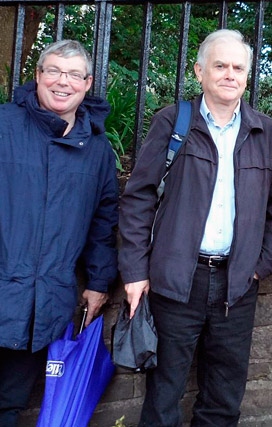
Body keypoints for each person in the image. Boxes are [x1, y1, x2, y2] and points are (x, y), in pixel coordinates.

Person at [118, 29, 272, 426]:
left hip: (237, 283)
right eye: (220, 65)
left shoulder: (266, 132)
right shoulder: (173, 122)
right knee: (164, 393)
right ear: (199, 71)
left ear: (248, 76)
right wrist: (134, 271)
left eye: (238, 67)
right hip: (177, 279)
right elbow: (138, 198)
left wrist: (259, 265)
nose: (230, 74)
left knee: (224, 396)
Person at [0, 40, 118, 425]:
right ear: (37, 77)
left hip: (44, 302)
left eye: (73, 75)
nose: (61, 82)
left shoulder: (98, 150)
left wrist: (100, 281)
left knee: (9, 405)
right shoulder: (4, 125)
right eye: (52, 71)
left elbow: (104, 221)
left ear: (87, 84)